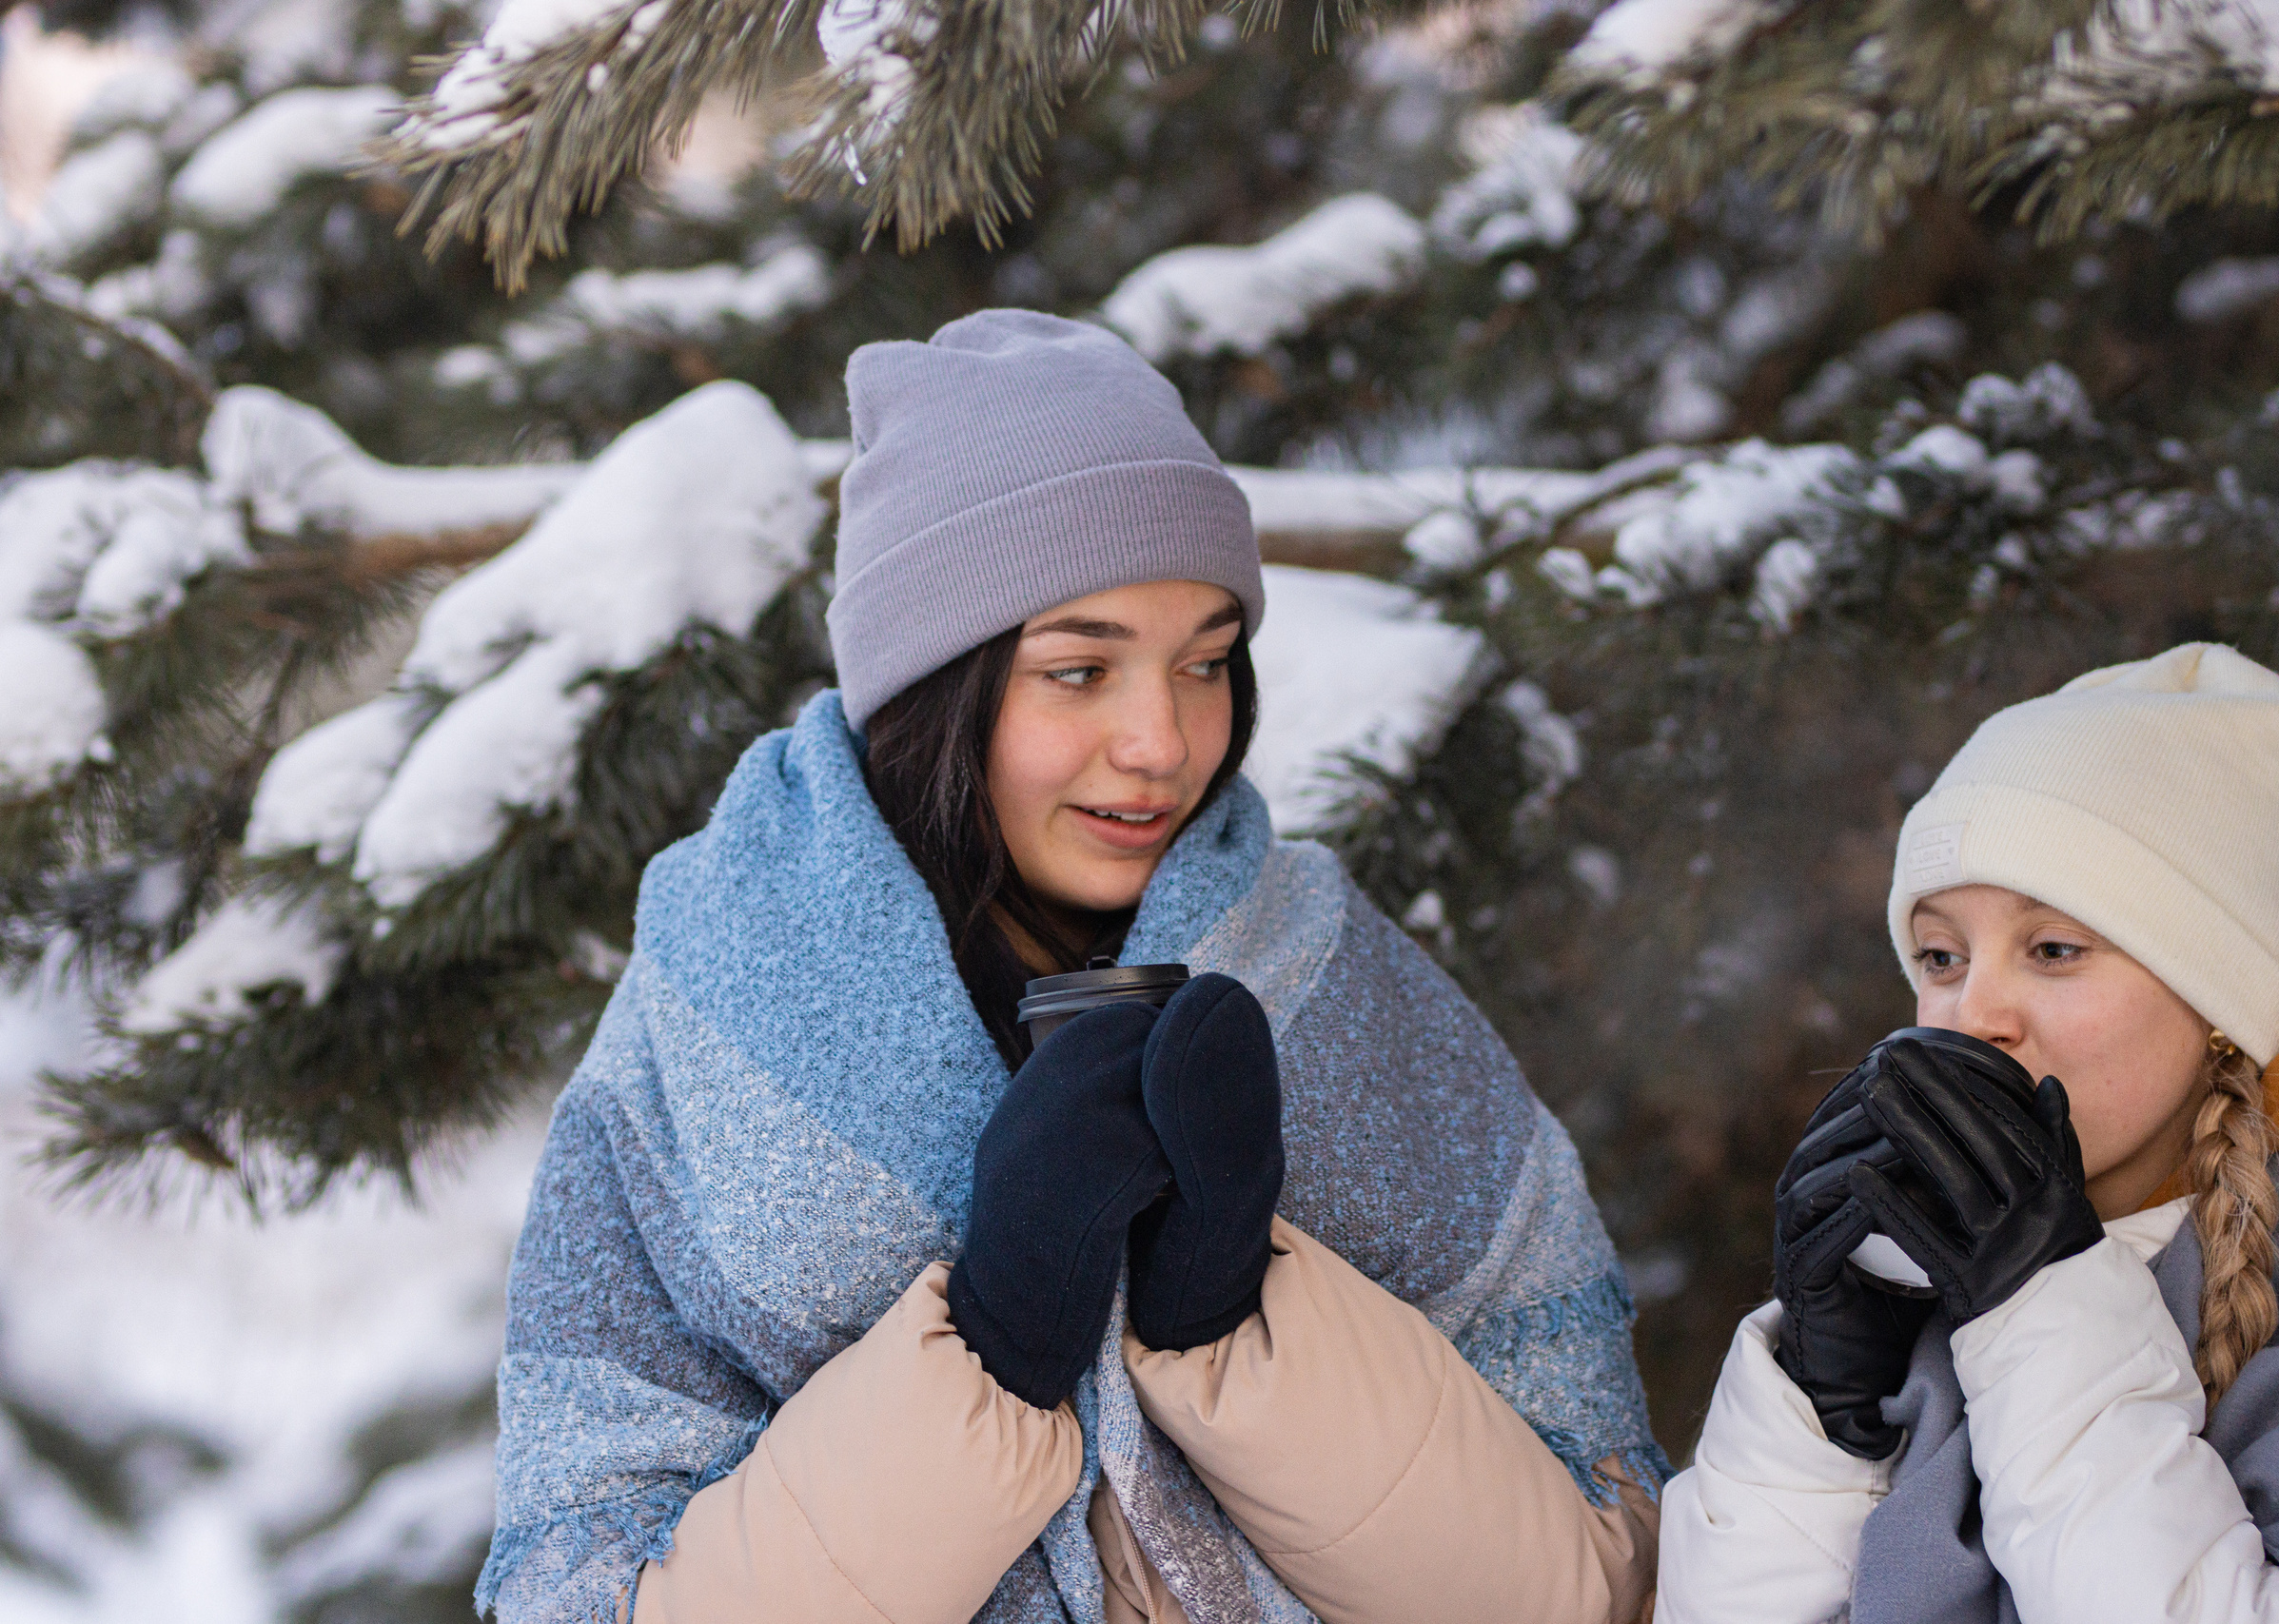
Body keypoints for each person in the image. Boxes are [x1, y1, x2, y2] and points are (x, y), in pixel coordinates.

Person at [476, 309, 1669, 1624]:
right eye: (1081, 669)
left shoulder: (1337, 984)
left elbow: (1602, 1578)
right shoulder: (709, 1029)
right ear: (933, 687)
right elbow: (571, 1590)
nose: (1163, 739)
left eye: (1204, 662)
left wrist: (1238, 1328)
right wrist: (990, 1352)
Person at [1657, 642, 2279, 1623]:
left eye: (2055, 948)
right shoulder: (1925, 1273)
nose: (1973, 1015)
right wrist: (1816, 1415)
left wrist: (2045, 1304)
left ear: (2225, 997)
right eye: (1940, 956)